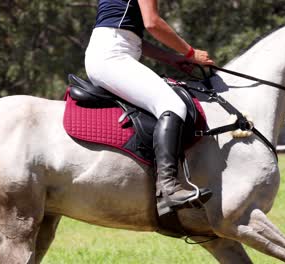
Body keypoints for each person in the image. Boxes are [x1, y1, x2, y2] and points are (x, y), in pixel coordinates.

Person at [85, 0, 214, 216]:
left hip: (110, 50)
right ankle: (168, 188)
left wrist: (173, 58)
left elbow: (133, 38)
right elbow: (153, 23)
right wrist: (191, 53)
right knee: (173, 105)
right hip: (113, 55)